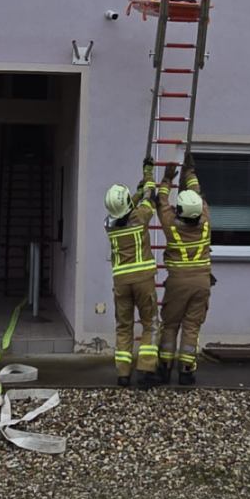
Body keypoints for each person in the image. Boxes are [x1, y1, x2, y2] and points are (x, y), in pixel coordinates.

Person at [154, 155, 212, 387]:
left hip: (178, 283)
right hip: (202, 283)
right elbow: (198, 195)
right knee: (191, 327)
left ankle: (164, 368)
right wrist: (190, 173)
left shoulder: (171, 226)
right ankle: (187, 371)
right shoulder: (206, 221)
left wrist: (168, 178)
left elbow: (161, 202)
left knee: (170, 325)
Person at [104, 158, 160, 387]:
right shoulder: (140, 217)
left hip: (121, 282)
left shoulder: (108, 223)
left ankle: (123, 373)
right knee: (150, 323)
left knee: (124, 326)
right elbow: (152, 196)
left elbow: (128, 208)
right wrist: (148, 173)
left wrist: (135, 194)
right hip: (143, 279)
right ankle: (146, 370)